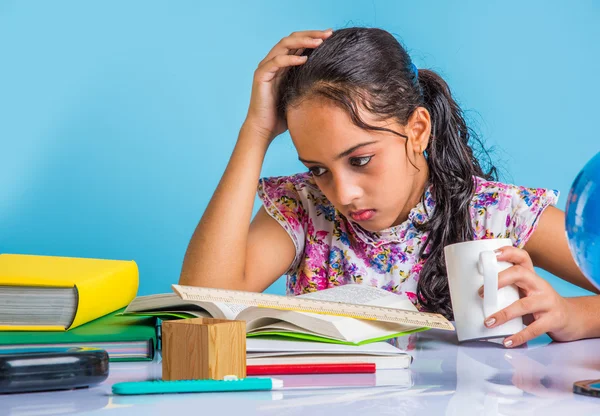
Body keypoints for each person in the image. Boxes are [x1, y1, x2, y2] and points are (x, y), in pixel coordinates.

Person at [179, 27, 600, 348]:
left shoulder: (496, 214)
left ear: (417, 129)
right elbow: (204, 306)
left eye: (360, 160)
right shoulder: (305, 208)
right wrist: (256, 131)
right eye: (318, 168)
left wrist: (572, 316)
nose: (342, 194)